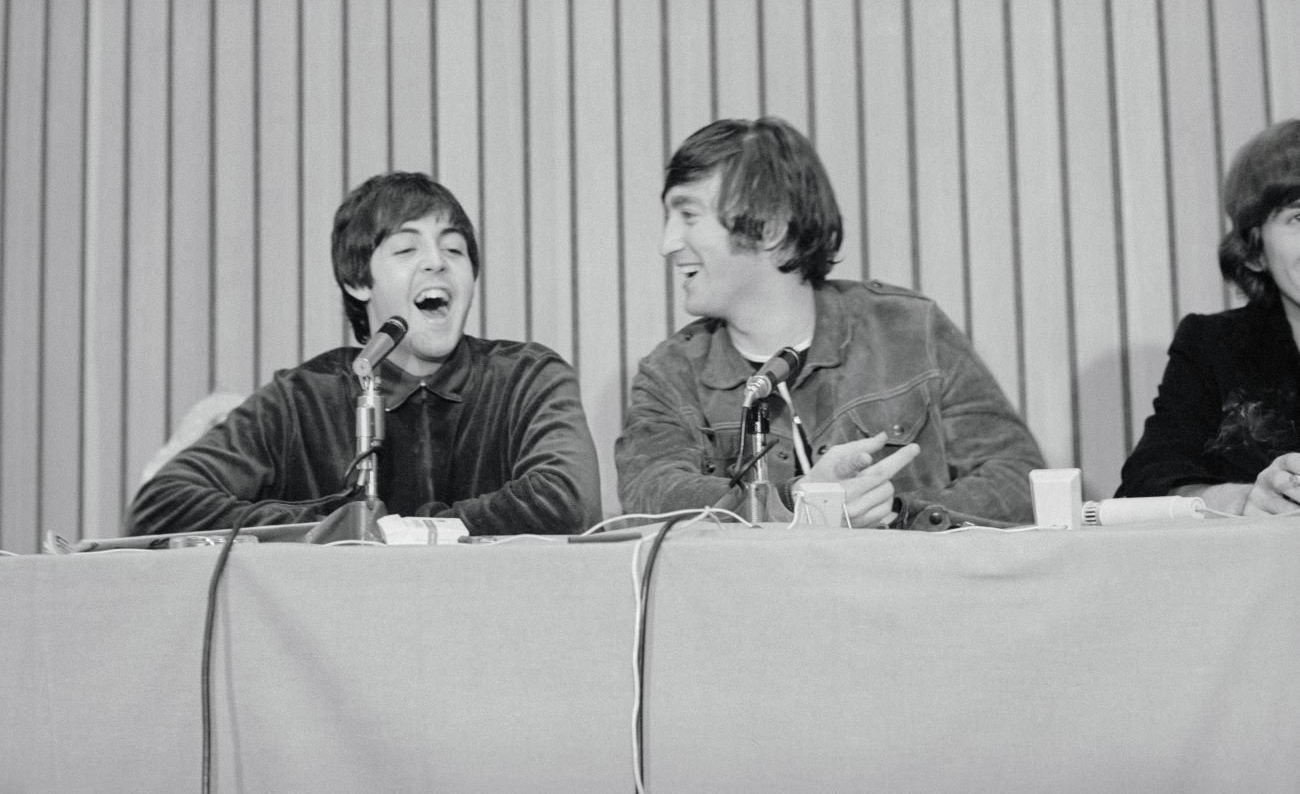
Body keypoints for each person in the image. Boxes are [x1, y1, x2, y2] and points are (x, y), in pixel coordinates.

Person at [615, 117, 1044, 528]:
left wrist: (892, 512)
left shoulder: (909, 330)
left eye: (688, 216)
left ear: (770, 228)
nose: (666, 243)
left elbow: (1017, 480)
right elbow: (650, 495)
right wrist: (794, 500)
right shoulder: (671, 374)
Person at [128, 172, 601, 536]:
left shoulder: (527, 377)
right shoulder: (301, 399)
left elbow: (567, 498)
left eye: (454, 249)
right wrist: (332, 525)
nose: (437, 261)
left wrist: (398, 532)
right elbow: (162, 505)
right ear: (358, 281)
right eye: (407, 249)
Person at [1118, 119, 1300, 515]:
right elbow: (1143, 489)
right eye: (1298, 218)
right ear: (1254, 251)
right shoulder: (1214, 346)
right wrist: (1246, 501)